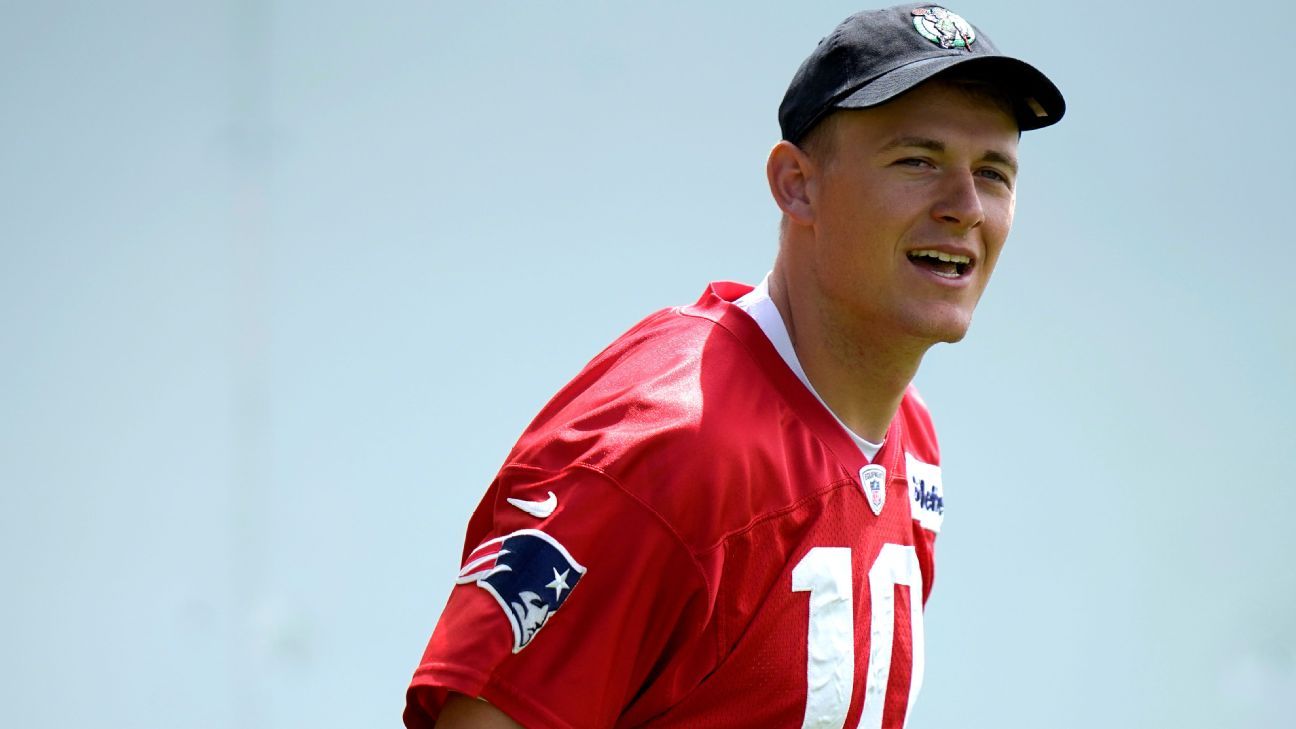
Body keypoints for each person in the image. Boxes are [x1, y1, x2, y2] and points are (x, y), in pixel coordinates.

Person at [404, 5, 1065, 728]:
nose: (965, 206)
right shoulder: (664, 446)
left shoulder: (911, 436)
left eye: (993, 172)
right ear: (796, 184)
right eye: (919, 160)